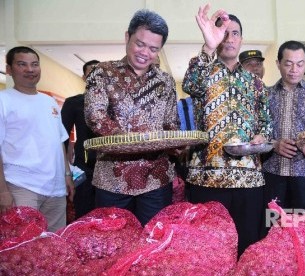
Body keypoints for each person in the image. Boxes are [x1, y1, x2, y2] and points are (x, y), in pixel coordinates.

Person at [182, 4, 271, 256]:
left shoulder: (255, 83)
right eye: (224, 32)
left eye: (235, 33)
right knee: (208, 249)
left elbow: (266, 123)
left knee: (248, 246)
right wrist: (209, 46)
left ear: (241, 39)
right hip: (207, 179)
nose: (229, 38)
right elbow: (190, 85)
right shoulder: (202, 70)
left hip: (249, 179)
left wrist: (262, 136)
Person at [84, 10, 179, 226]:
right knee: (113, 240)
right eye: (140, 44)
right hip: (112, 178)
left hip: (157, 178)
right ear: (127, 37)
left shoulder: (166, 81)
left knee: (154, 240)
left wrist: (179, 145)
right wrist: (135, 141)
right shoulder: (102, 73)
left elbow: (171, 124)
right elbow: (95, 117)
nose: (145, 52)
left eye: (154, 49)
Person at [0, 46, 75, 232]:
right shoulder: (4, 100)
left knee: (54, 244)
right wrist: (2, 191)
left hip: (55, 189)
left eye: (34, 64)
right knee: (24, 247)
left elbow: (59, 142)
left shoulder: (49, 102)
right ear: (9, 69)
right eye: (22, 64)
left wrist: (67, 175)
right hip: (21, 186)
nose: (30, 69)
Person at [263, 40, 305, 212]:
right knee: (274, 227)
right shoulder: (265, 96)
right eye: (288, 64)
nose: (294, 70)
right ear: (278, 64)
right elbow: (256, 132)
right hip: (273, 172)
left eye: (300, 64)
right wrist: (273, 144)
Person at [61, 59, 99, 219]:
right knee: (84, 214)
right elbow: (61, 136)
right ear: (84, 77)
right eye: (91, 72)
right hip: (84, 167)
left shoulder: (114, 103)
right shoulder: (74, 103)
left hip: (110, 168)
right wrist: (65, 170)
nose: (96, 76)